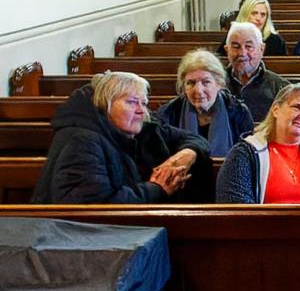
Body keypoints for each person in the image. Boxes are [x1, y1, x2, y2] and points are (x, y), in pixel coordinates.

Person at [33, 72, 213, 204]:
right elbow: (93, 208)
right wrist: (156, 189)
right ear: (106, 104)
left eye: (144, 103)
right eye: (132, 102)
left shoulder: (138, 128)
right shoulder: (82, 141)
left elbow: (196, 139)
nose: (141, 111)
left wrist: (187, 154)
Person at [155, 49, 254, 156]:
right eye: (191, 83)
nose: (198, 90)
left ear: (219, 84)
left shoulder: (239, 112)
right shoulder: (168, 113)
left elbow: (248, 156)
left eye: (206, 82)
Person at [224, 21, 291, 121]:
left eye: (249, 46)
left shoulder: (281, 88)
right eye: (236, 47)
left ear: (261, 49)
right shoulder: (215, 84)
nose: (242, 53)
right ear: (227, 50)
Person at [218, 0, 286, 57]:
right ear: (245, 15)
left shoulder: (276, 41)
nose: (258, 18)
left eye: (263, 14)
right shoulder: (233, 36)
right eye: (254, 13)